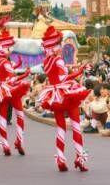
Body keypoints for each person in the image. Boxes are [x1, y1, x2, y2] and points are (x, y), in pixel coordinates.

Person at [37, 26, 91, 172]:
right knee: (75, 127)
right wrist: (78, 72)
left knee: (60, 128)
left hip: (54, 96)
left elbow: (55, 78)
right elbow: (63, 78)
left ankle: (60, 159)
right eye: (59, 44)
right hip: (65, 94)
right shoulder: (58, 60)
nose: (61, 47)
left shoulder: (47, 62)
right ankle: (79, 158)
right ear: (56, 46)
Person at [0, 30, 30, 156]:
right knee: (20, 116)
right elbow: (11, 78)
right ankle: (19, 141)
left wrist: (18, 66)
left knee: (3, 118)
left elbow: (6, 72)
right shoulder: (6, 62)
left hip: (1, 89)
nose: (10, 51)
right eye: (8, 49)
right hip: (11, 89)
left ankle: (5, 144)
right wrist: (24, 75)